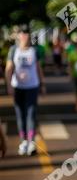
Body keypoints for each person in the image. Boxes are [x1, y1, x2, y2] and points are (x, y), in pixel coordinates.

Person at [4, 27, 46, 156]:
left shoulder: (34, 51)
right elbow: (9, 68)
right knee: (20, 115)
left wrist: (42, 83)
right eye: (22, 34)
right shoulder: (13, 50)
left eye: (27, 35)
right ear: (19, 36)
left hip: (32, 87)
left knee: (31, 114)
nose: (25, 37)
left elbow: (38, 68)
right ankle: (23, 142)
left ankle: (31, 142)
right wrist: (9, 85)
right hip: (18, 87)